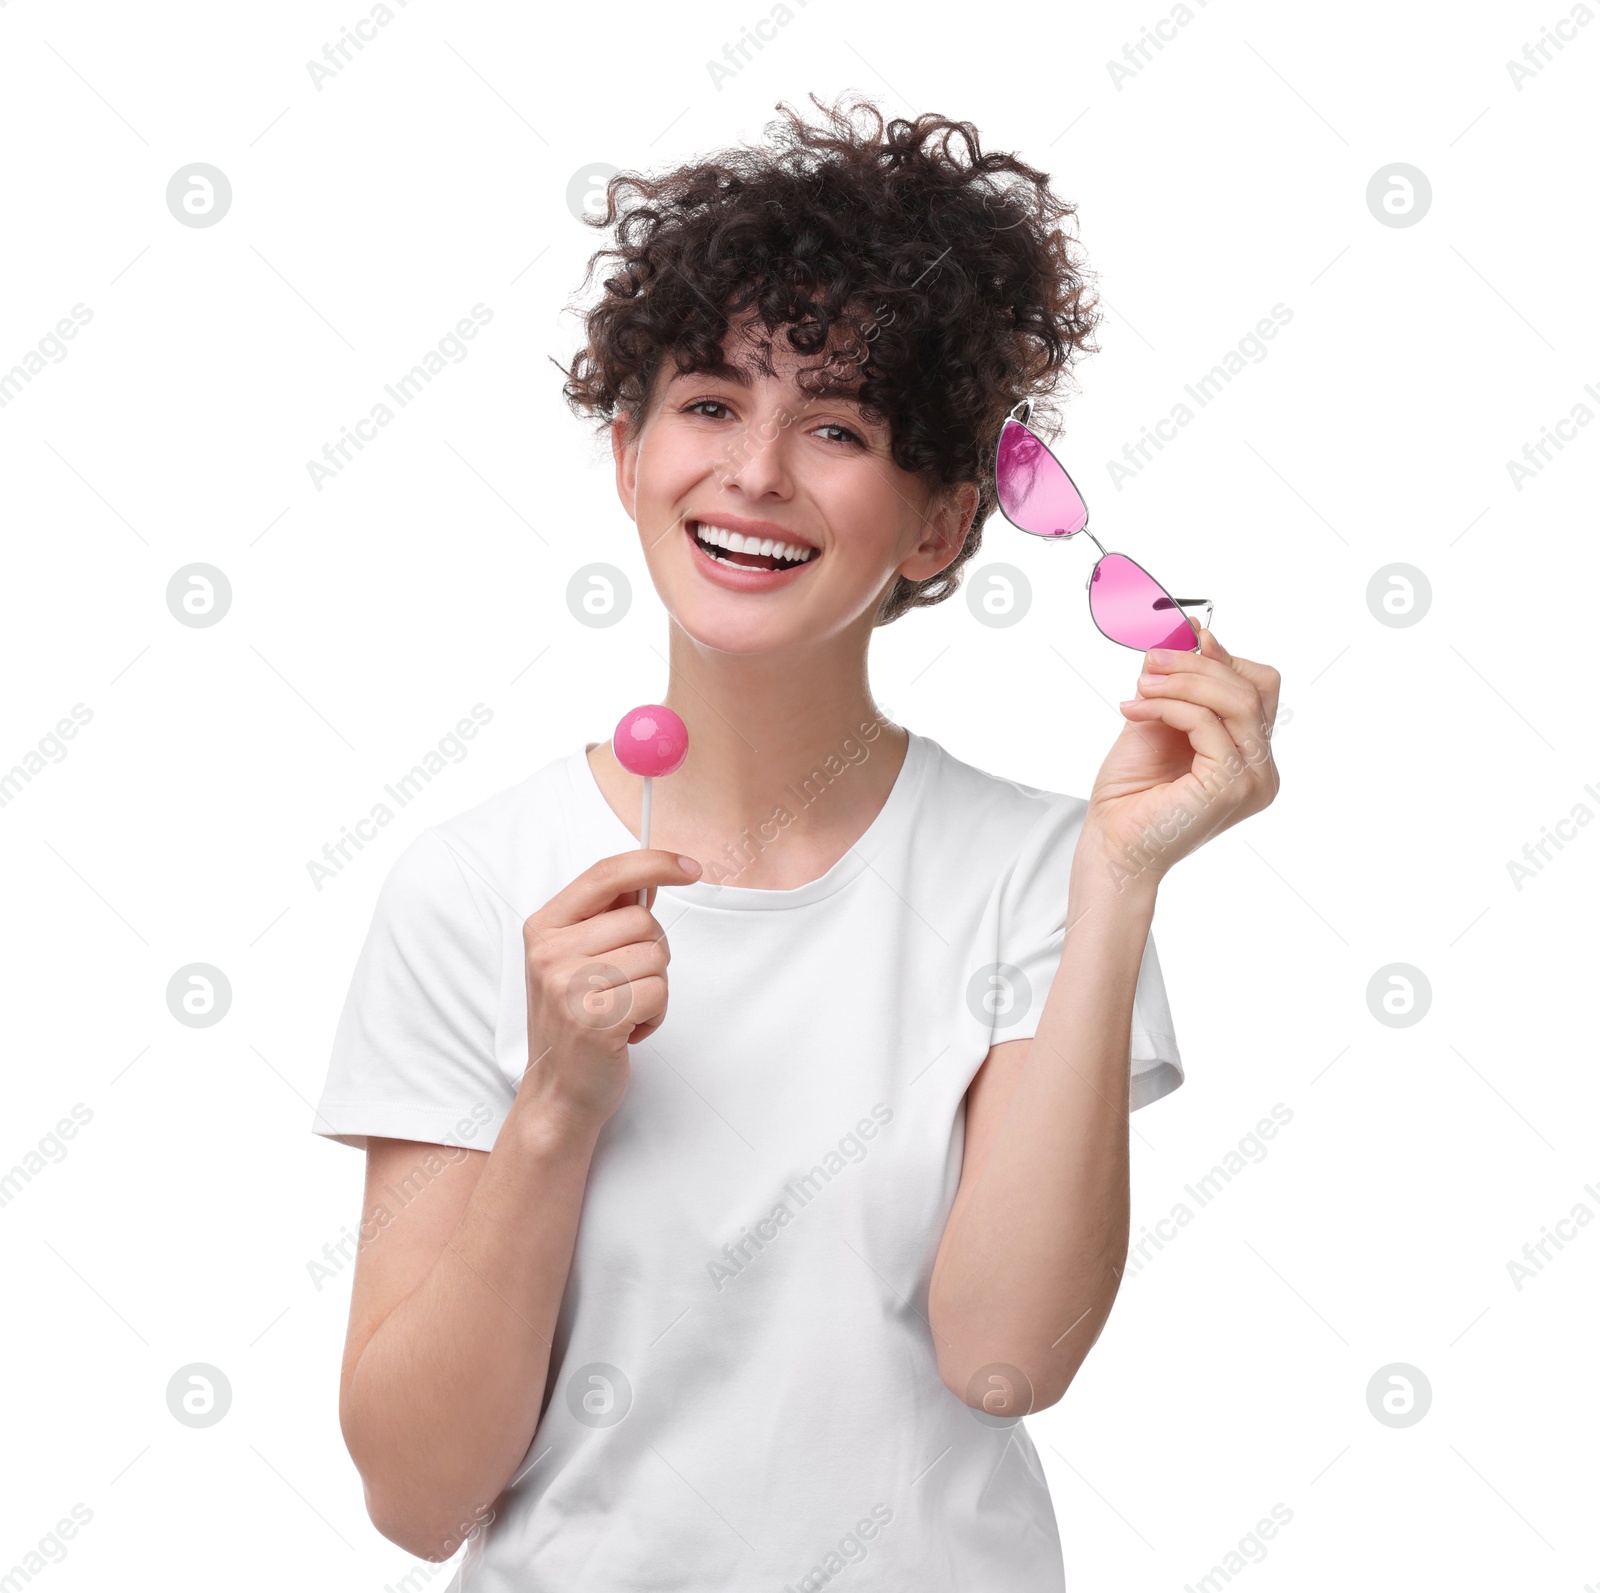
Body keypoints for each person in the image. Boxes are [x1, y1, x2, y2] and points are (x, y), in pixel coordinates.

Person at [311, 95, 1280, 1591]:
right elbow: (419, 1493)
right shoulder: (471, 886)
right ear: (627, 452)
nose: (755, 473)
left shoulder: (1038, 874)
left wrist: (1117, 881)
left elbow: (1006, 1355)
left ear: (941, 524)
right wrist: (559, 1104)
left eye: (837, 425)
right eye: (709, 403)